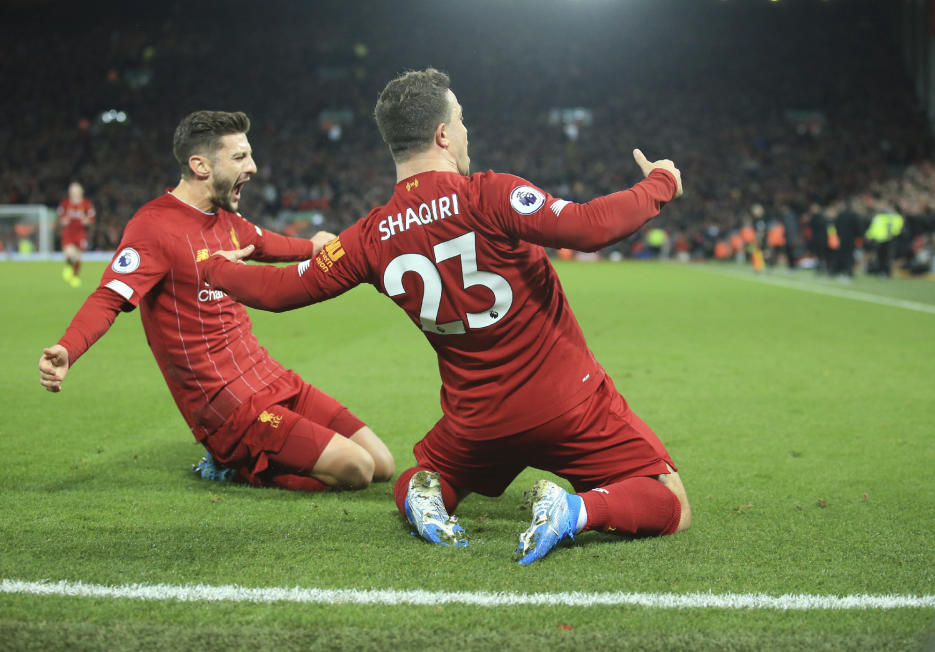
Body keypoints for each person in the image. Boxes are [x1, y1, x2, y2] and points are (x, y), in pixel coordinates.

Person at [199, 69, 691, 565]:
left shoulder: (368, 238)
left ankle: (421, 497)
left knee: (427, 474)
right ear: (442, 134)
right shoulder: (490, 195)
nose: (465, 131)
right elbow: (590, 226)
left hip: (476, 424)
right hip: (567, 404)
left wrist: (216, 266)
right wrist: (661, 182)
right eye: (461, 119)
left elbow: (281, 289)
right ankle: (576, 510)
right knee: (669, 498)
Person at [38, 110, 394, 492]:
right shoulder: (154, 227)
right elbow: (110, 296)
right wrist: (67, 349)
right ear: (200, 165)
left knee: (383, 465)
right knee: (356, 469)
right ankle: (233, 465)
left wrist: (313, 246)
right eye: (240, 157)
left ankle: (260, 456)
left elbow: (269, 243)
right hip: (227, 406)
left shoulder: (227, 220)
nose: (253, 167)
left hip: (268, 377)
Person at [57, 181, 96, 287]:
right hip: (68, 233)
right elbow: (60, 217)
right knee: (69, 254)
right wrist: (63, 221)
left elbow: (92, 218)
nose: (74, 192)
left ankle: (75, 276)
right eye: (73, 190)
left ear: (81, 191)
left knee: (78, 257)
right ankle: (69, 267)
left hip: (80, 233)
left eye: (76, 190)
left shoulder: (86, 204)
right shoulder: (65, 204)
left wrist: (86, 221)